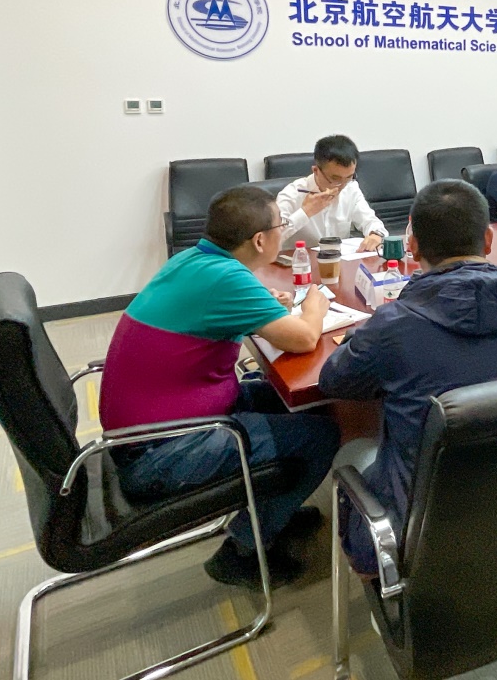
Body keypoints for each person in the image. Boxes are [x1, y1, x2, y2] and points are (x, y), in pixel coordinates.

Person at [100, 186, 340, 588]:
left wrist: (267, 306)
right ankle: (242, 551)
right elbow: (302, 338)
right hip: (163, 450)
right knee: (321, 435)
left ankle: (275, 506)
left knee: (299, 403)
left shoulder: (193, 261)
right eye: (281, 225)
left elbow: (217, 311)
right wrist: (313, 308)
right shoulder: (227, 278)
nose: (284, 230)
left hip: (157, 425)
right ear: (260, 240)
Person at [320, 179, 497, 574]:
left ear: (412, 246)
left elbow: (334, 382)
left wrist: (362, 338)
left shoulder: (394, 324)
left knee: (352, 450)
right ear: (488, 240)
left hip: (423, 532)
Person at [276, 135, 388, 251]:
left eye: (349, 177)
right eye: (335, 179)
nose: (341, 186)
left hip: (340, 259)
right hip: (300, 259)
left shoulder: (350, 188)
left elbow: (370, 220)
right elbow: (271, 237)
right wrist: (305, 212)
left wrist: (375, 235)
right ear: (316, 171)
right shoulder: (292, 194)